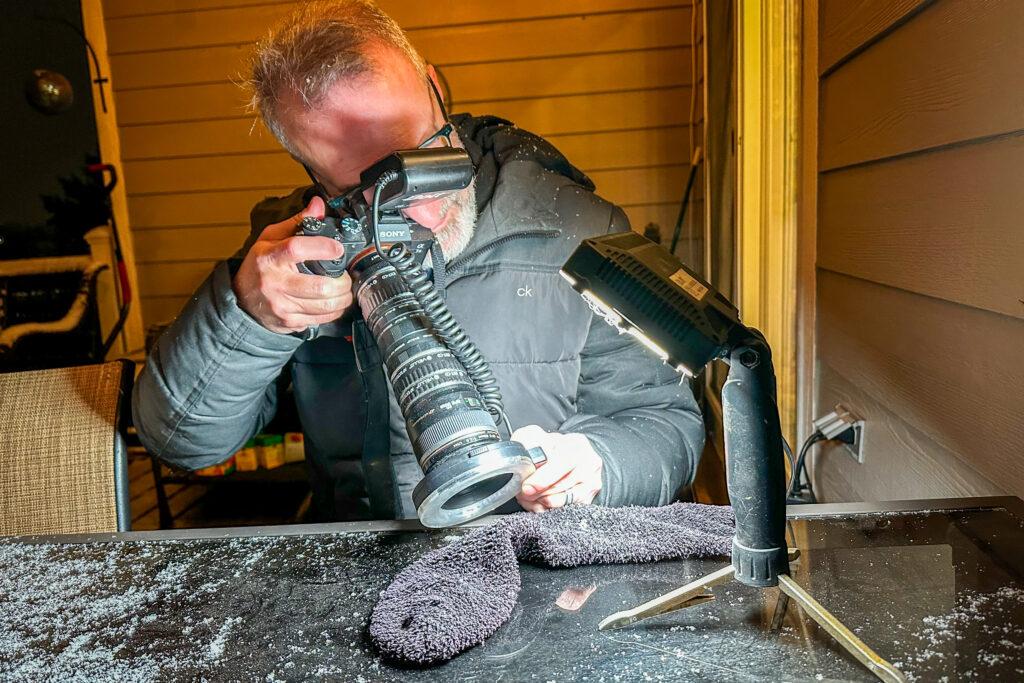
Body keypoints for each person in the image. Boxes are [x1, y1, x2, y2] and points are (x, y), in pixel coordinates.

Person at [132, 0, 705, 521]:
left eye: (426, 153)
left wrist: (596, 462)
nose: (428, 215)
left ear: (434, 86)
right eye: (373, 187)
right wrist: (248, 314)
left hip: (535, 566)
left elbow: (667, 424)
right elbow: (183, 443)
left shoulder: (580, 228)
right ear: (310, 170)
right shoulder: (291, 252)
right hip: (358, 568)